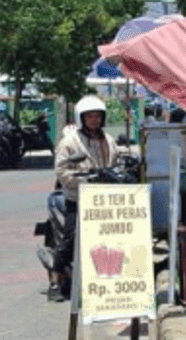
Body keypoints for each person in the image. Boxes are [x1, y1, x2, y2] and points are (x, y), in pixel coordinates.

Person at [49, 95, 119, 300]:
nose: (95, 120)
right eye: (90, 116)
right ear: (82, 118)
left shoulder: (109, 140)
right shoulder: (70, 142)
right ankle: (55, 281)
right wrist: (84, 183)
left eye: (98, 116)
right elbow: (61, 170)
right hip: (79, 198)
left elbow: (116, 162)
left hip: (105, 199)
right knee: (70, 238)